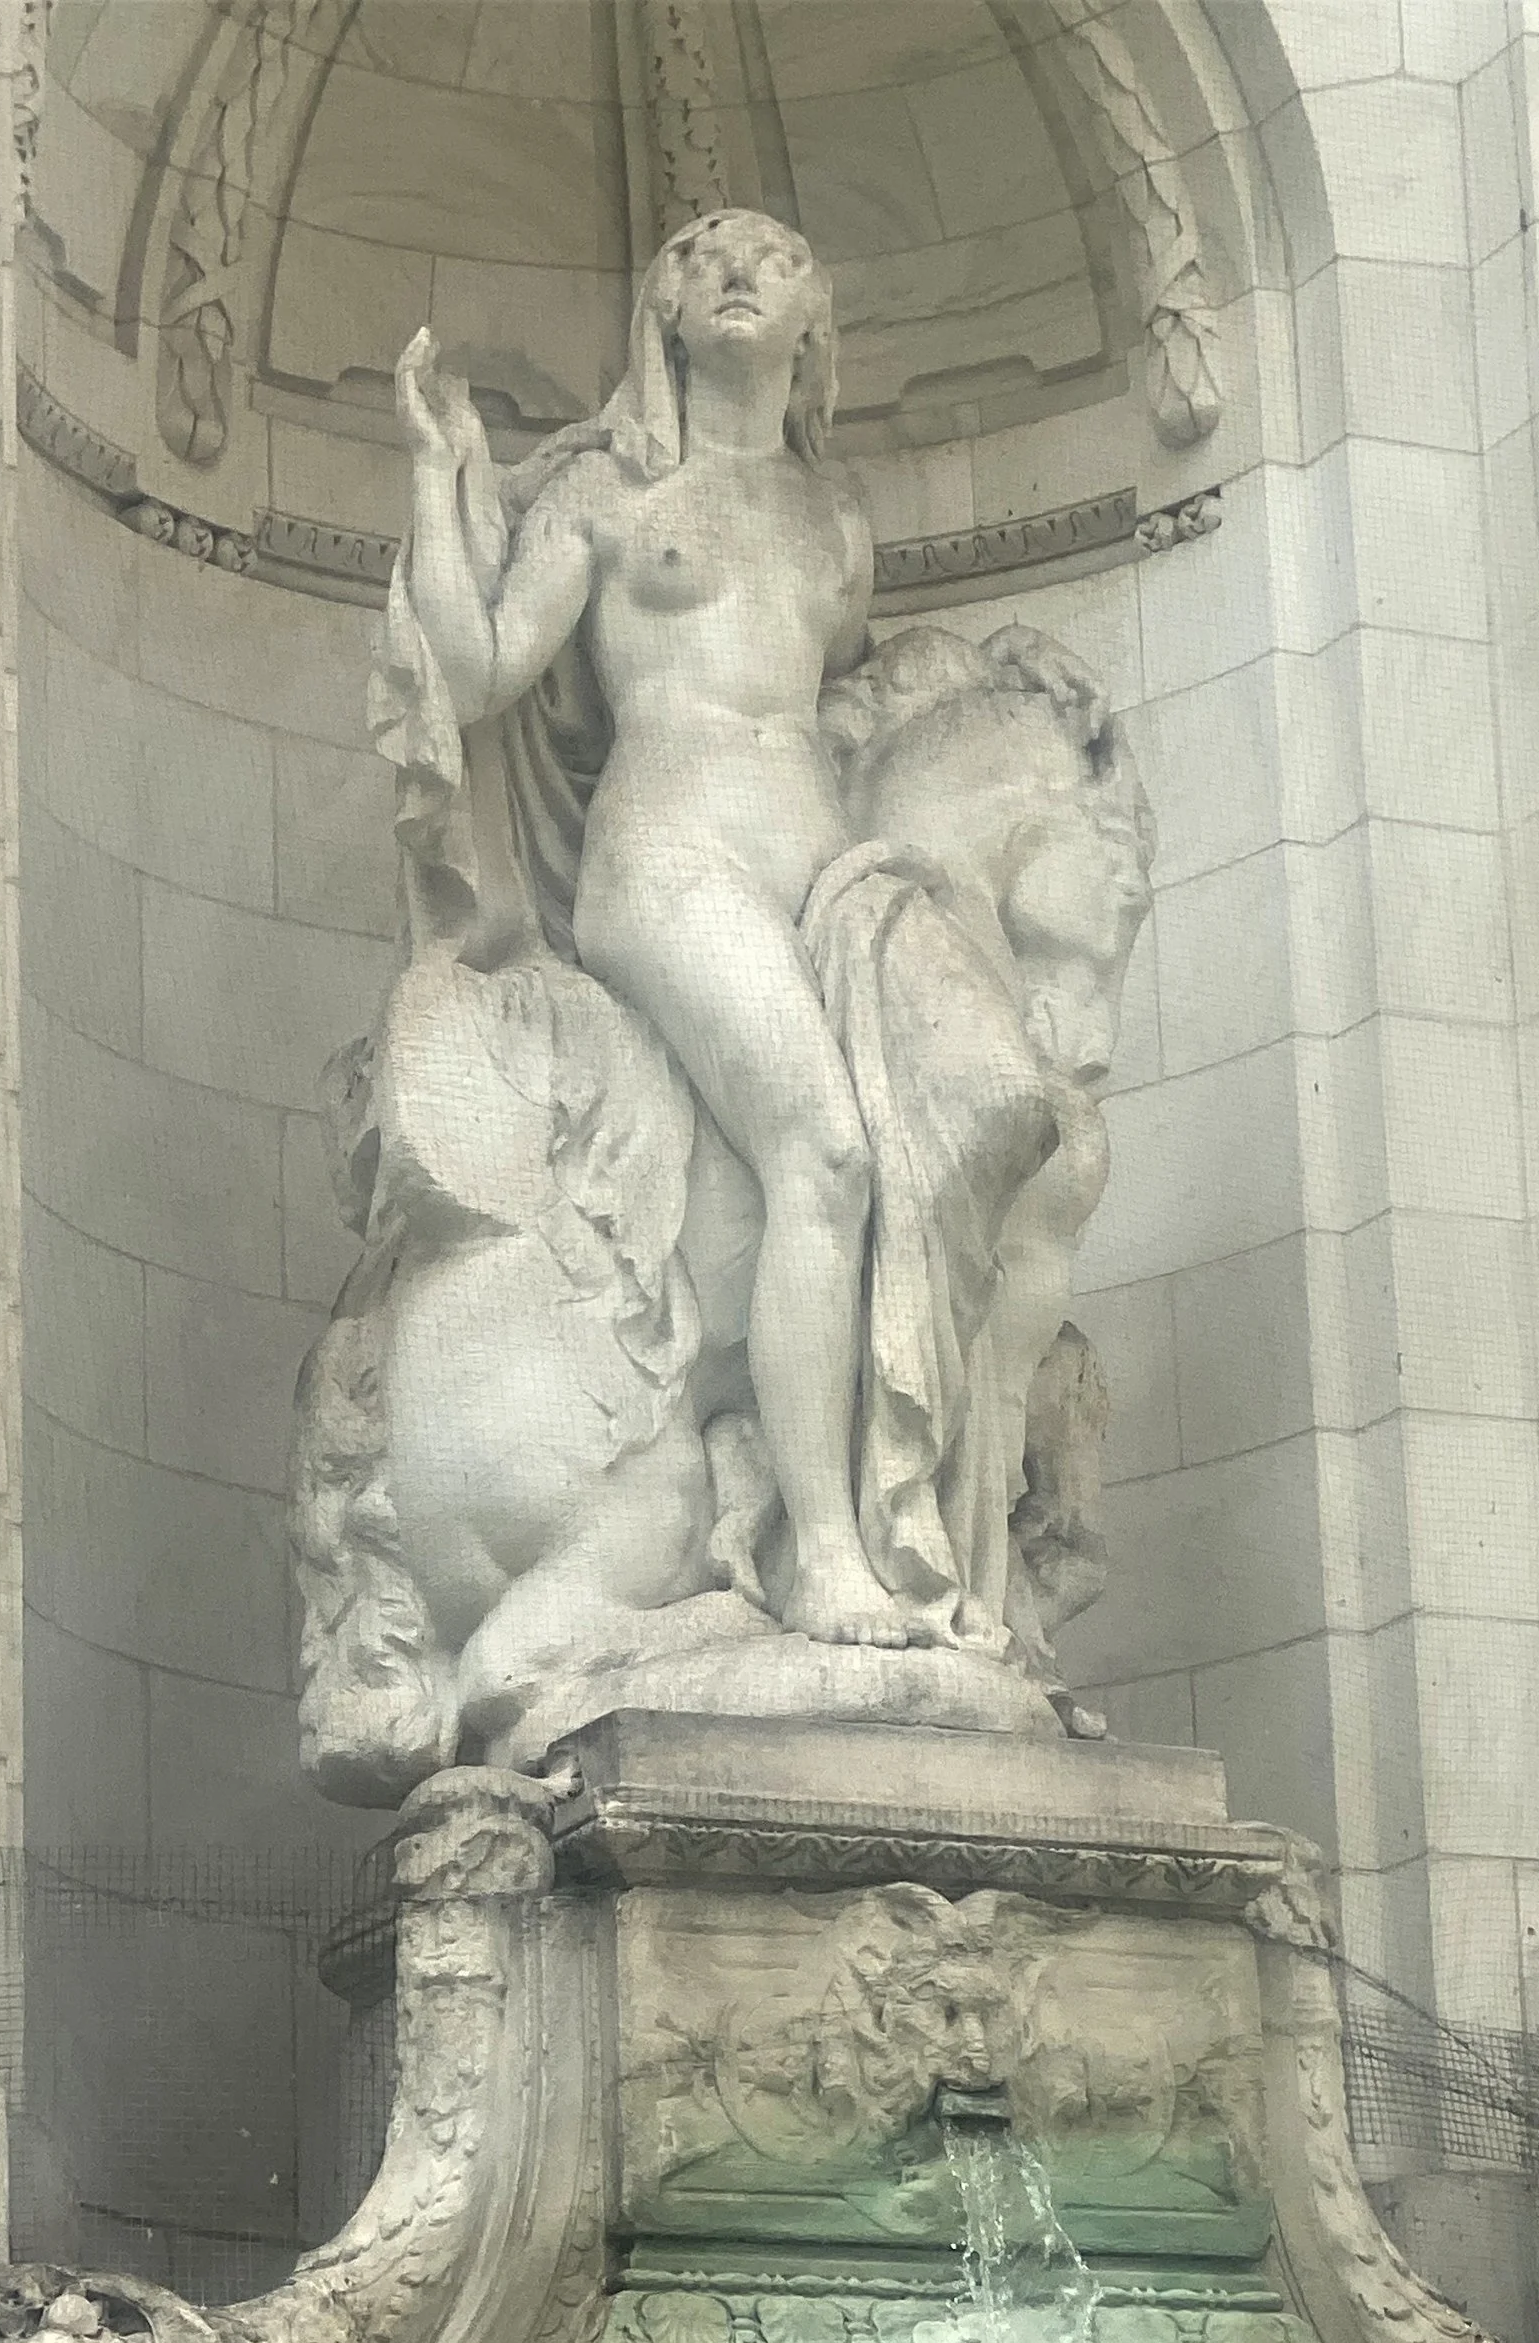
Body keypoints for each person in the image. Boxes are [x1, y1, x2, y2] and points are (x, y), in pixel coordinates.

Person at [392, 209, 926, 1652]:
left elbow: (845, 713)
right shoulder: (611, 494)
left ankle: (871, 1516)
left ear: (818, 317)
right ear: (663, 313)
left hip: (813, 867)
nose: (735, 270)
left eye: (773, 254)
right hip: (666, 856)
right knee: (826, 1148)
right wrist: (444, 490)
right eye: (699, 256)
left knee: (910, 1163)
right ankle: (826, 1554)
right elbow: (481, 668)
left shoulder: (839, 519)